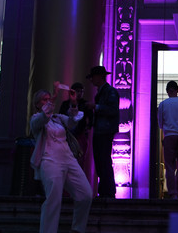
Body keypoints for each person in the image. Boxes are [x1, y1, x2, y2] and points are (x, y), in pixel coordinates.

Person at [30, 89, 93, 233]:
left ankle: (77, 229)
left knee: (85, 194)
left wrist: (73, 102)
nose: (48, 102)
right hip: (50, 160)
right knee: (53, 199)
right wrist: (53, 99)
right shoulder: (35, 119)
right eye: (44, 100)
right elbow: (42, 119)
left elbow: (72, 121)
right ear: (38, 104)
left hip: (68, 159)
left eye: (49, 99)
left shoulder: (58, 118)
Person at [85, 65, 119, 198]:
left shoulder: (109, 92)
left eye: (93, 77)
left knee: (103, 160)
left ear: (99, 77)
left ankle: (107, 190)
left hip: (104, 130)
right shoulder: (105, 91)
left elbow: (113, 110)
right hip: (102, 129)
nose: (91, 80)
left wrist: (96, 107)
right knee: (101, 160)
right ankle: (106, 189)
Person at [157, 80, 178, 198]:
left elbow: (160, 123)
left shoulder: (163, 104)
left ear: (167, 91)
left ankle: (172, 193)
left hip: (169, 136)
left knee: (169, 166)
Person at [59, 81, 93, 173]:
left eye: (81, 91)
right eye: (77, 91)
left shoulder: (85, 104)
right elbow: (60, 117)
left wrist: (88, 127)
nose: (79, 93)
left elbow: (91, 118)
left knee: (80, 158)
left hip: (80, 134)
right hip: (66, 134)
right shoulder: (65, 104)